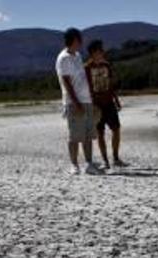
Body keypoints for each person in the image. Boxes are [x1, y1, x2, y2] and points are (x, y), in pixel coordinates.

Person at [55, 28, 104, 176]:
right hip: (73, 102)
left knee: (88, 135)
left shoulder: (77, 55)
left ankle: (89, 163)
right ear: (73, 40)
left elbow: (82, 79)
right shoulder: (63, 58)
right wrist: (76, 103)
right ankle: (74, 165)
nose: (81, 42)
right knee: (75, 136)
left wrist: (91, 100)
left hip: (86, 99)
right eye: (79, 39)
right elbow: (66, 82)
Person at [84, 40, 127, 169]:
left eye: (102, 50)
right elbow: (85, 88)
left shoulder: (106, 65)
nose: (102, 52)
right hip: (96, 104)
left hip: (109, 102)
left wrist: (117, 100)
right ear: (93, 53)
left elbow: (111, 85)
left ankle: (115, 158)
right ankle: (105, 160)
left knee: (116, 129)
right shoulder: (86, 68)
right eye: (99, 50)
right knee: (100, 133)